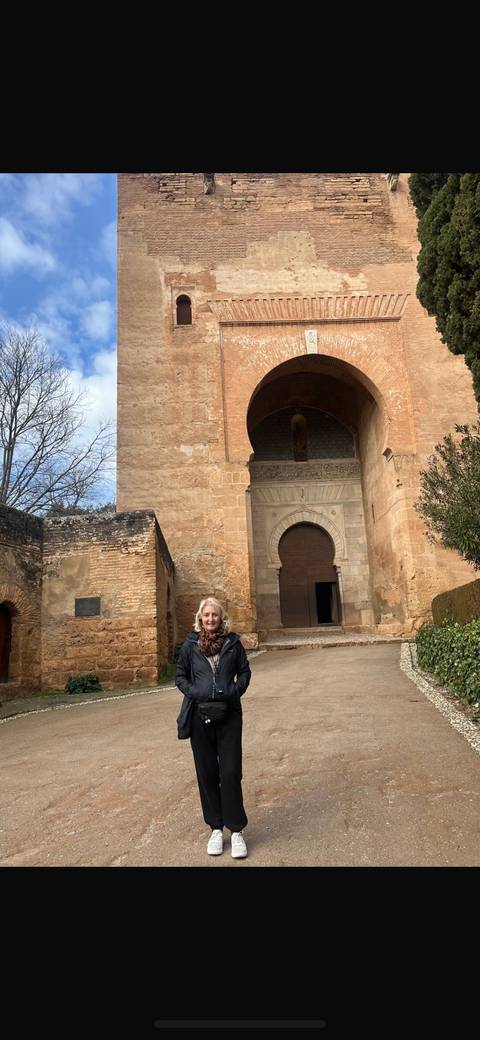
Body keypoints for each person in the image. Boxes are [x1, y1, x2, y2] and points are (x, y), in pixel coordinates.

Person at [175, 596, 251, 859]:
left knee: (230, 772)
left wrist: (234, 691)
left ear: (221, 618)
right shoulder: (190, 645)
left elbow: (245, 672)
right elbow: (180, 676)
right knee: (207, 773)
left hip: (229, 715)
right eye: (206, 615)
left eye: (214, 615)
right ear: (200, 617)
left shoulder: (233, 643)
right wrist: (195, 692)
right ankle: (216, 828)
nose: (210, 619)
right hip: (200, 716)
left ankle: (236, 830)